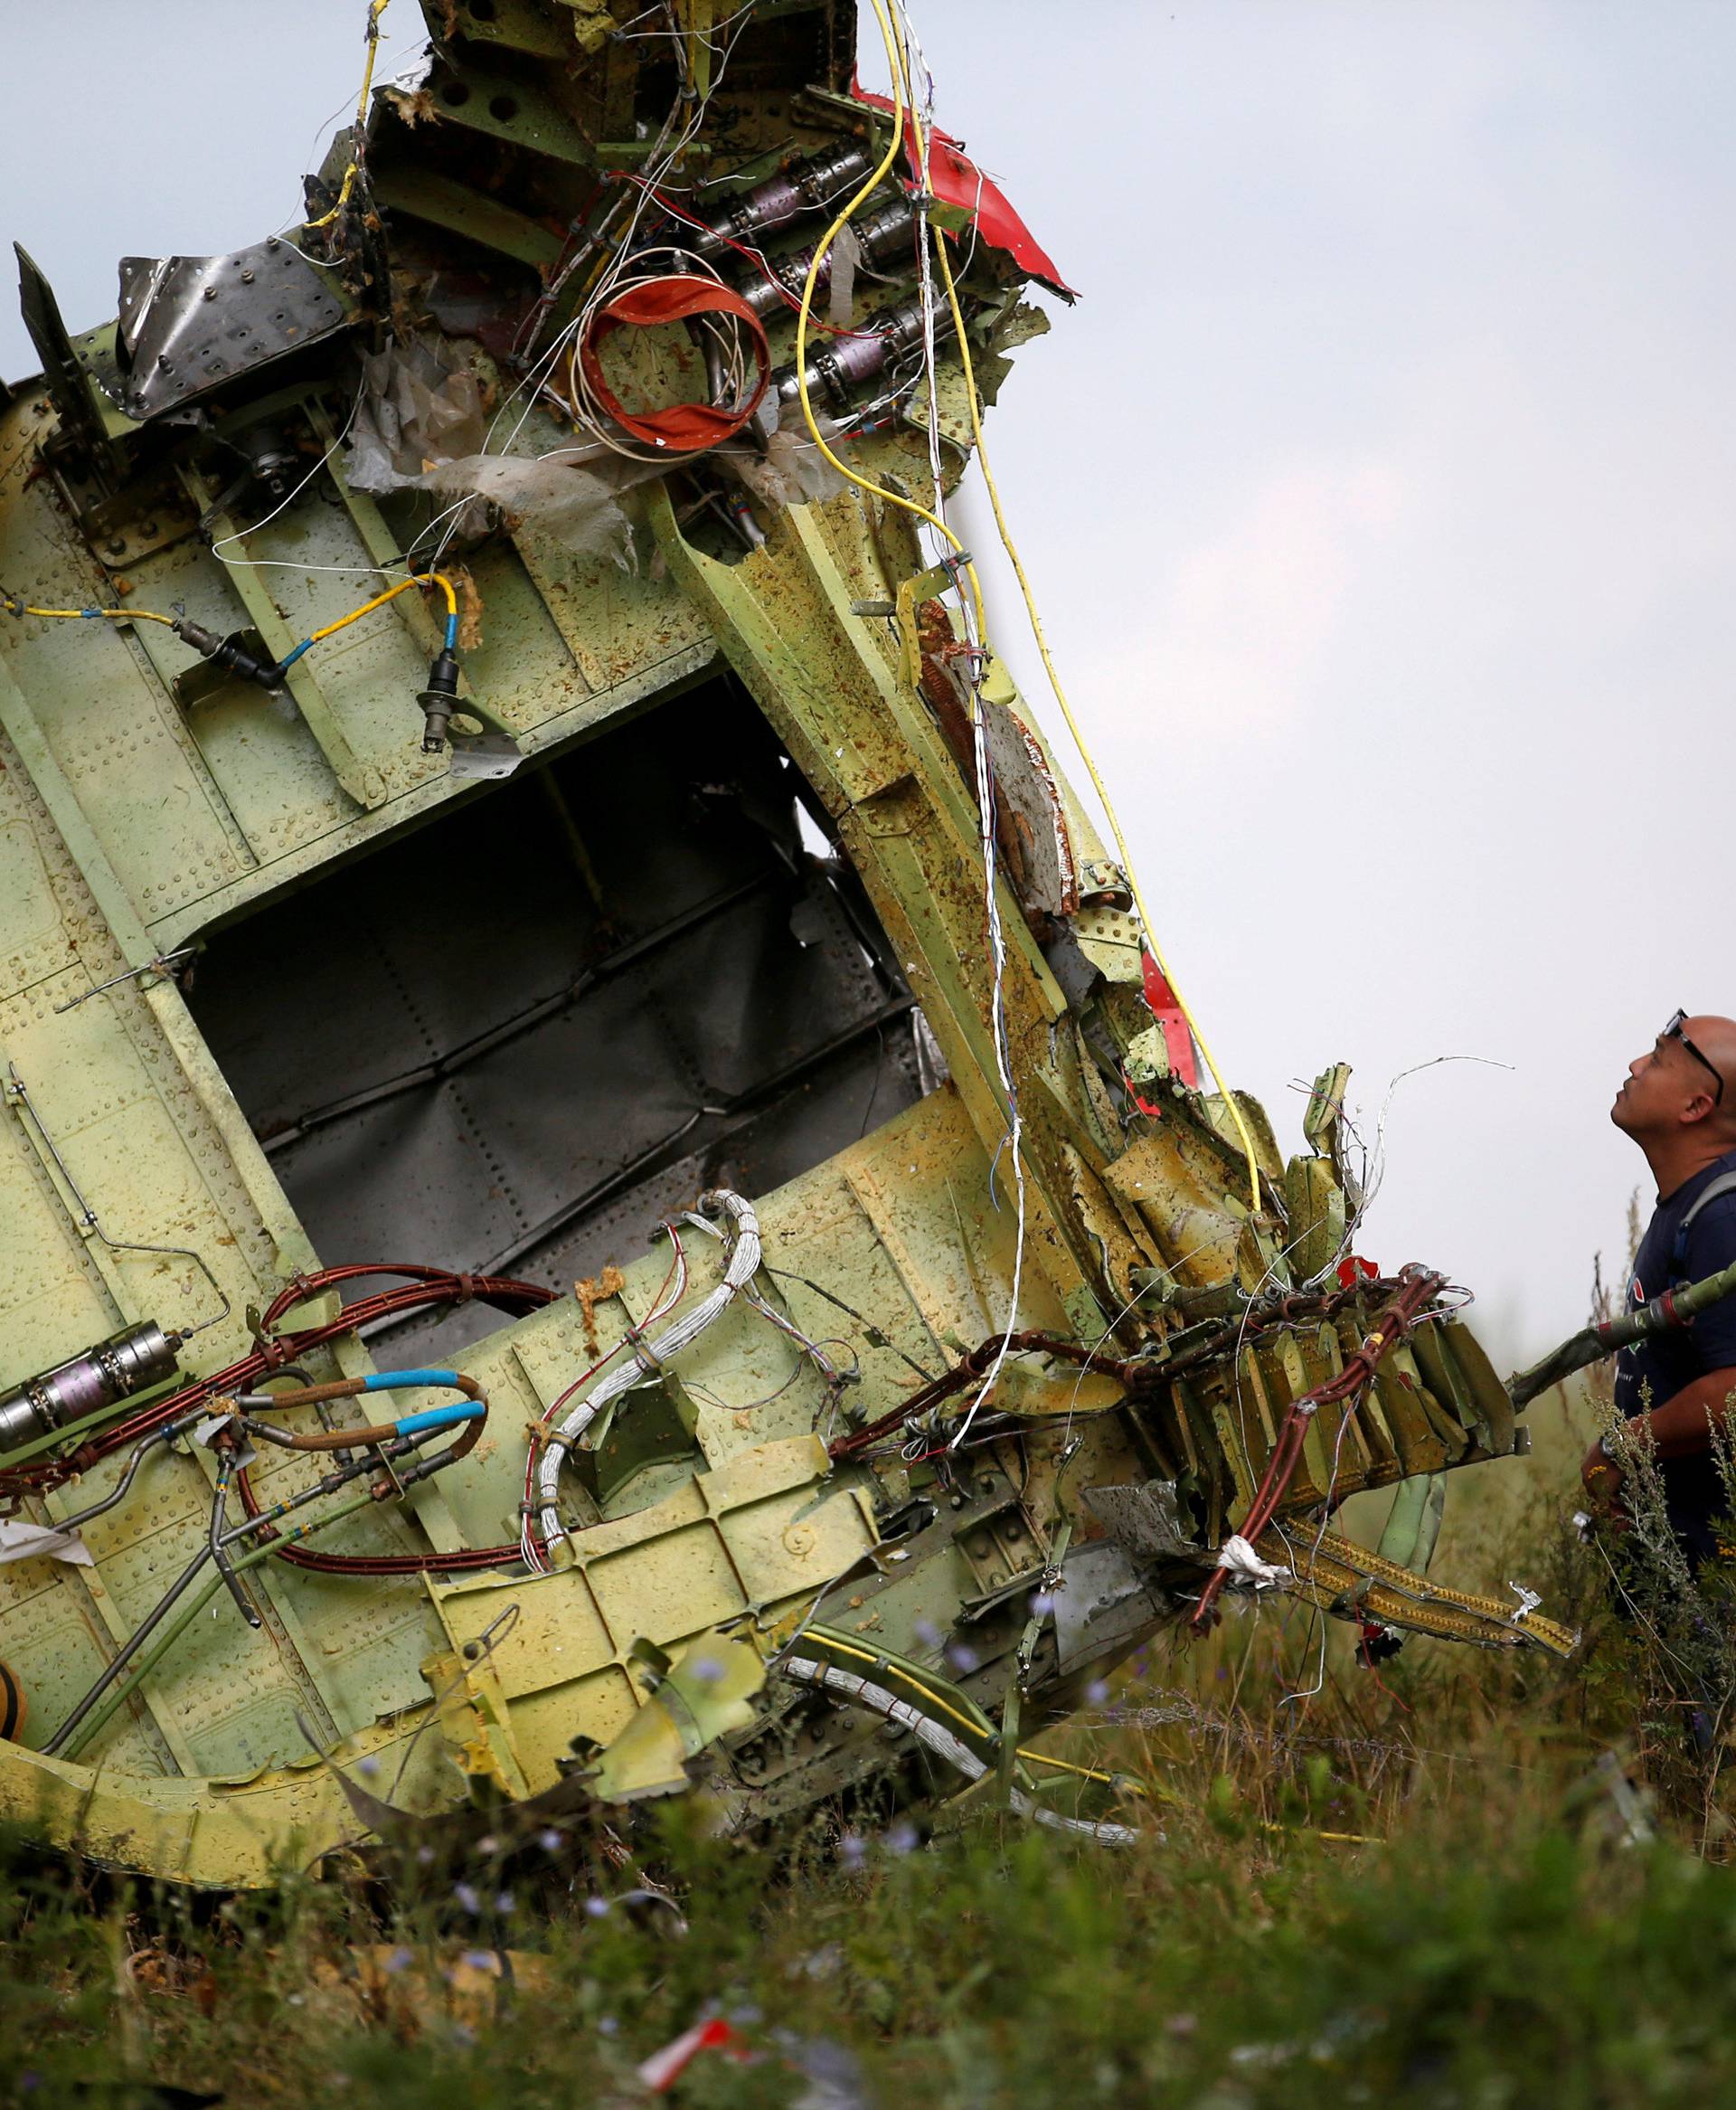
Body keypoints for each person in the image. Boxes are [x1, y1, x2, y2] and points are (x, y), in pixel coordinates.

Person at [1582, 1011, 1736, 1567]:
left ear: (1695, 1107)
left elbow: (1735, 1391)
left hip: (1714, 1575)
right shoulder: (1691, 1206)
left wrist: (1618, 1447)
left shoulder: (1722, 1216)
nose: (1634, 1065)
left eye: (1658, 1058)